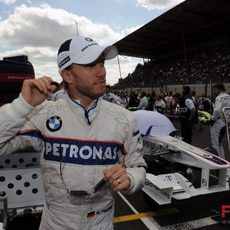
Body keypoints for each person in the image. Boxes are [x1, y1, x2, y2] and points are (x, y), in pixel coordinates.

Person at [0, 36, 146, 230]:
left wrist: (131, 178)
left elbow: (138, 166)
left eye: (101, 63)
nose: (101, 72)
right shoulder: (42, 114)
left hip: (101, 224)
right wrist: (21, 106)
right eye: (90, 65)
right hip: (55, 224)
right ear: (67, 76)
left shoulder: (124, 119)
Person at [210, 83, 230, 159]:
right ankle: (222, 159)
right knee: (220, 143)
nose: (214, 91)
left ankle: (218, 162)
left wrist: (212, 119)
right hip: (226, 122)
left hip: (218, 122)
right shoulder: (228, 97)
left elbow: (217, 110)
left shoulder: (219, 97)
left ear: (219, 89)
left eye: (215, 89)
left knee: (216, 144)